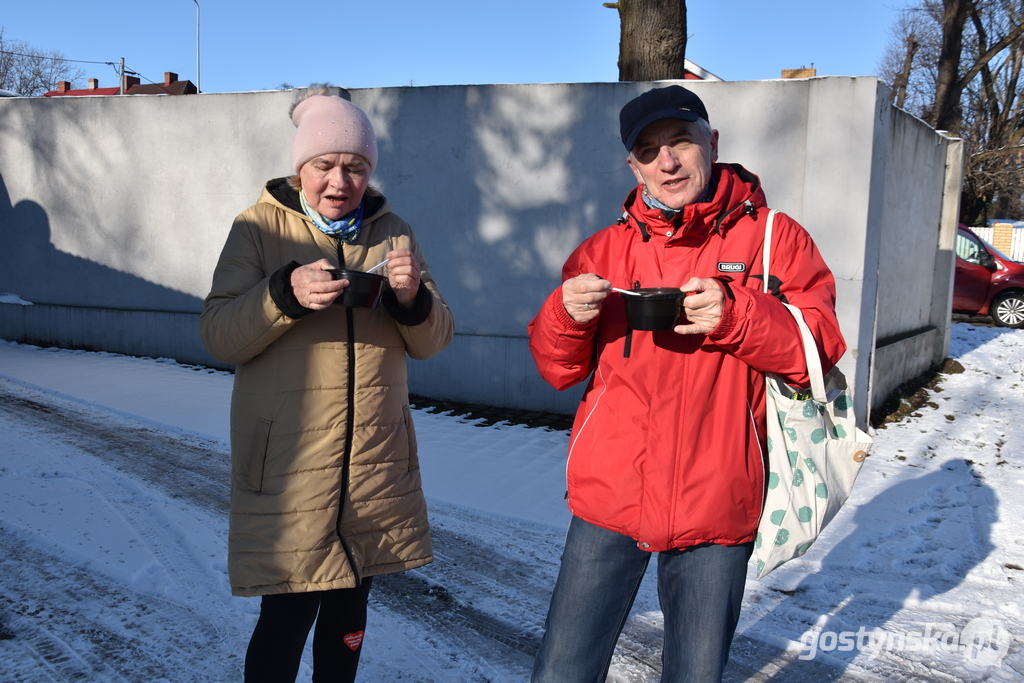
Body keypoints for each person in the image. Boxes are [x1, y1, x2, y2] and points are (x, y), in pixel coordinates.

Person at [526, 85, 846, 682]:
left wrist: (738, 315)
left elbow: (818, 350)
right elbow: (556, 367)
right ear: (633, 166)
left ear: (711, 142)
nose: (667, 161)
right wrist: (564, 312)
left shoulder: (777, 239)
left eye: (679, 141)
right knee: (562, 671)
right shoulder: (603, 249)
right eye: (648, 151)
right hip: (610, 494)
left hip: (719, 496)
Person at [200, 88, 454, 682]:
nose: (341, 181)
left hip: (370, 465)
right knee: (285, 616)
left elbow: (434, 340)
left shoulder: (394, 231)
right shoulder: (258, 229)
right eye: (325, 165)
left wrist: (413, 300)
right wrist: (282, 295)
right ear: (301, 169)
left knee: (349, 618)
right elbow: (218, 334)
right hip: (289, 467)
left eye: (356, 167)